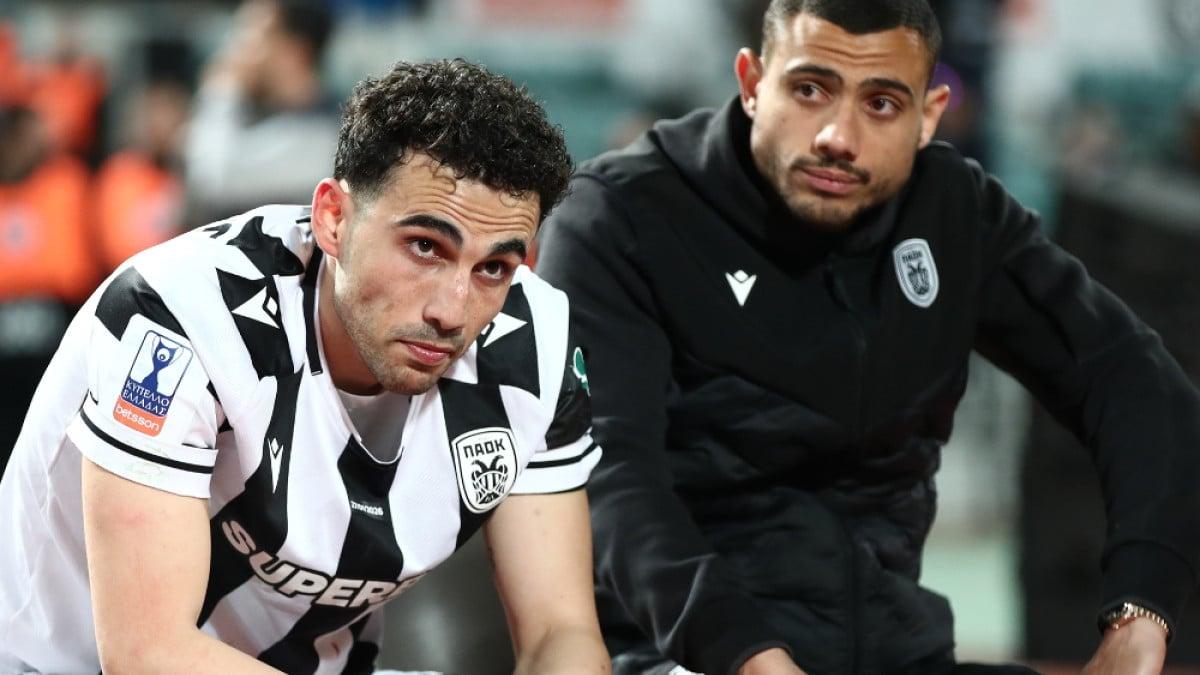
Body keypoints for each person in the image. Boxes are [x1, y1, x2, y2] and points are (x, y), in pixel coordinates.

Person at [536, 1, 1200, 674]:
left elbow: (1137, 382)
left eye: (881, 104)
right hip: (677, 657)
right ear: (752, 82)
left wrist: (1141, 614)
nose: (838, 136)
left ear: (929, 116)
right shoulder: (620, 215)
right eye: (810, 89)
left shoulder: (955, 209)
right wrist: (746, 656)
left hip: (898, 658)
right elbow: (612, 475)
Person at [0, 58, 609, 675]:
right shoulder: (179, 317)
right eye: (425, 247)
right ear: (333, 219)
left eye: (494, 268)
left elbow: (559, 632)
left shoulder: (536, 349)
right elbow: (148, 655)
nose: (452, 311)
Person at [184, 0, 340, 224]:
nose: (238, 52)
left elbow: (212, 177)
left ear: (295, 51)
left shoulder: (325, 134)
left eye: (253, 36)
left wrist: (221, 90)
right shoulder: (250, 112)